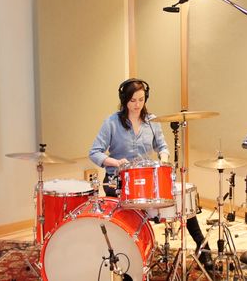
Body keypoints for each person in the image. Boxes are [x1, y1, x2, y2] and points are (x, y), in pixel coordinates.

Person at [89, 78, 214, 271]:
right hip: (119, 181)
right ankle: (125, 254)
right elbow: (94, 152)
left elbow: (162, 147)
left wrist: (164, 158)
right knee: (121, 222)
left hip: (148, 180)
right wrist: (115, 162)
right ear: (124, 100)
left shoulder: (152, 121)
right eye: (132, 101)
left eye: (141, 99)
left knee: (182, 198)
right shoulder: (112, 123)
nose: (137, 105)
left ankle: (203, 248)